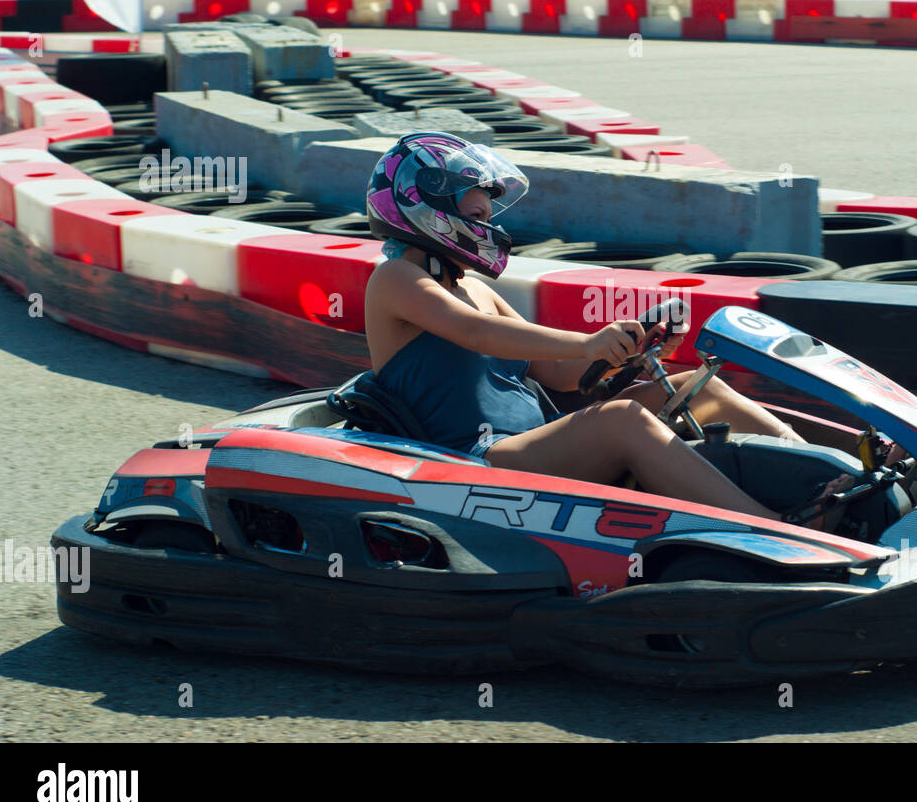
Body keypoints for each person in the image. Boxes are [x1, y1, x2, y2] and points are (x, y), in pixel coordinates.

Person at [361, 132, 848, 527]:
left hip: (537, 444)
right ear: (423, 210)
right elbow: (474, 334)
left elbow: (557, 372)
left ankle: (829, 476)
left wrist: (627, 348)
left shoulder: (476, 288)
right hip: (474, 464)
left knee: (700, 387)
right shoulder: (396, 279)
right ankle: (781, 527)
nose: (487, 226)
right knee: (621, 420)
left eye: (487, 216)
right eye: (475, 216)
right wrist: (591, 340)